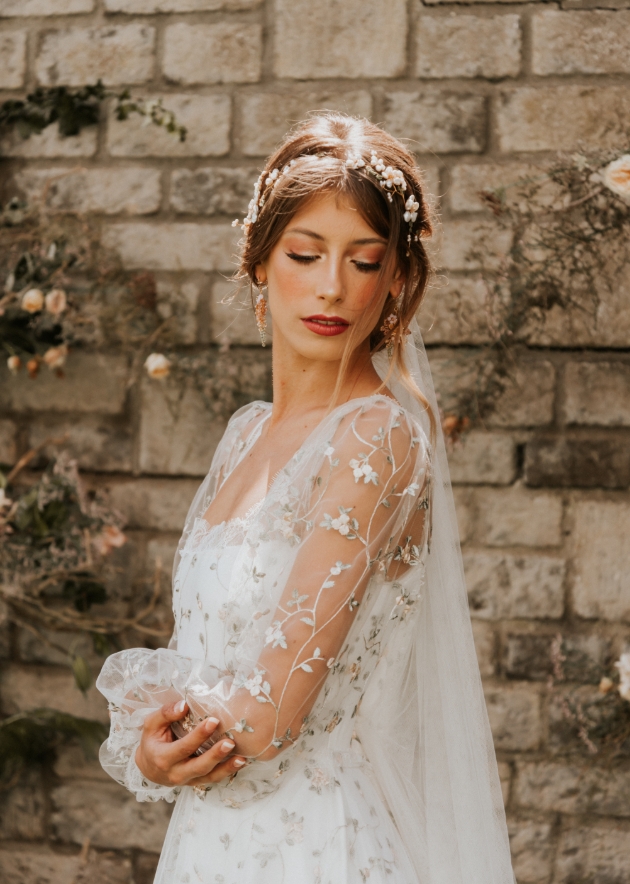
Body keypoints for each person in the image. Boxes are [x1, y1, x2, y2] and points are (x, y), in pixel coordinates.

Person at [97, 113, 514, 884]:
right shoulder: (247, 434)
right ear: (259, 261)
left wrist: (164, 736)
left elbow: (266, 717)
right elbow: (208, 652)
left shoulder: (376, 437)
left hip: (313, 845)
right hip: (210, 842)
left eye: (364, 260)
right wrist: (151, 752)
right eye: (305, 253)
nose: (332, 287)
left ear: (395, 280)